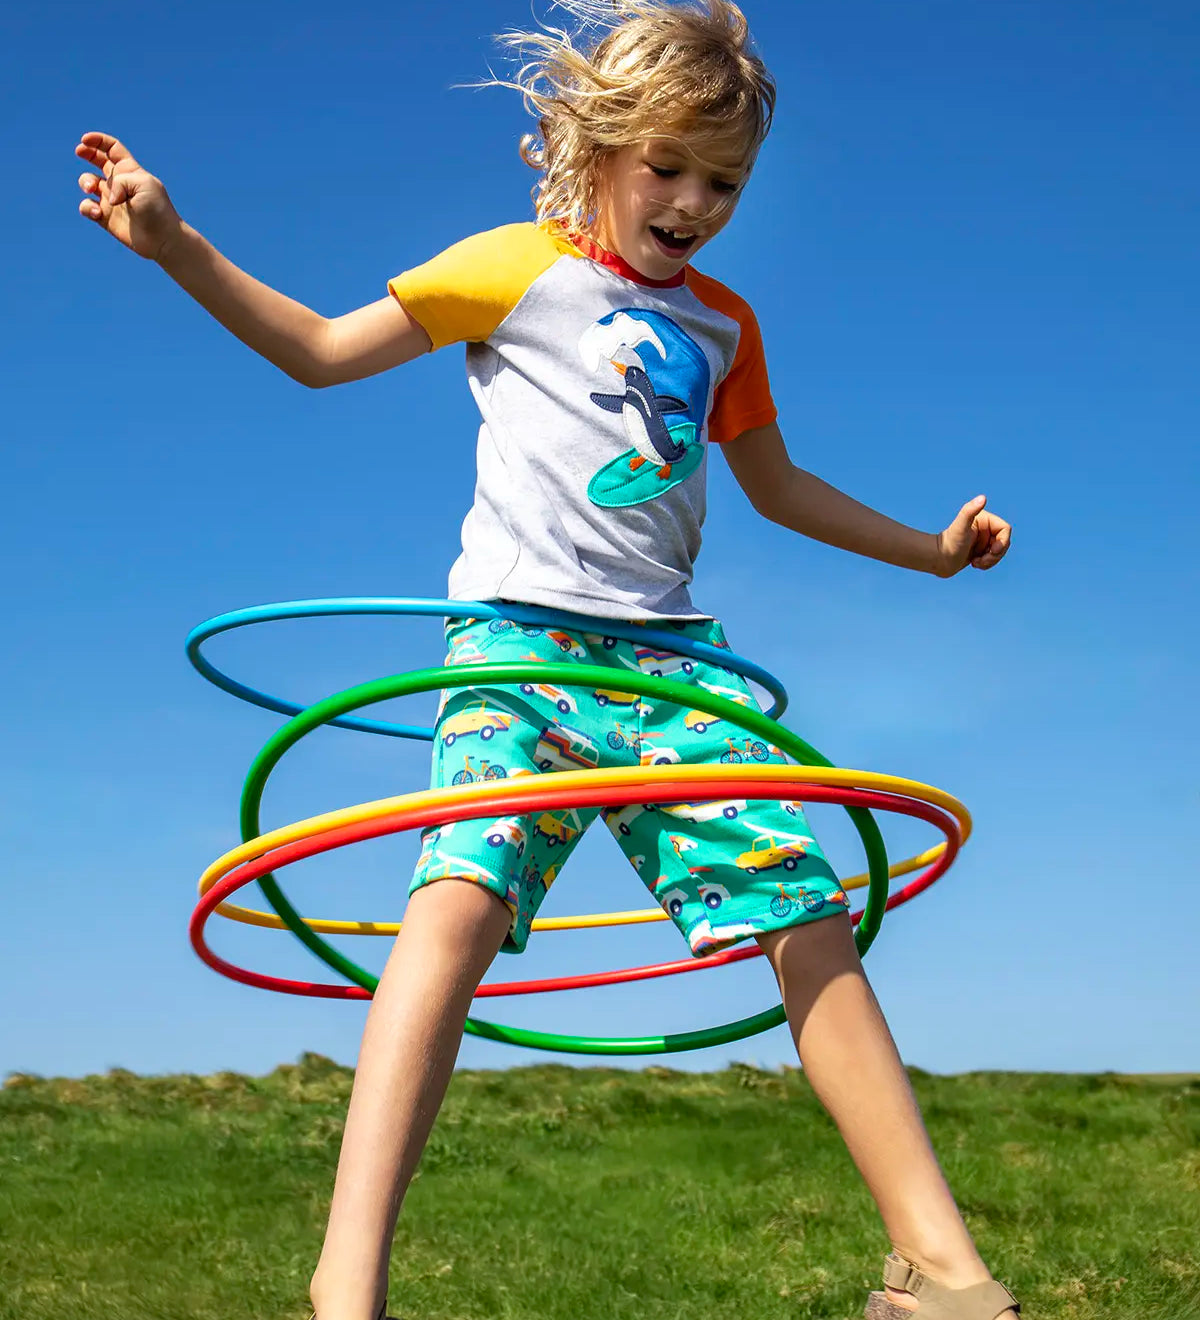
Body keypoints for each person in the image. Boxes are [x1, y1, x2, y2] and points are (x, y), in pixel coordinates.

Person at [75, 3, 1016, 1317]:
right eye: (669, 168)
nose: (695, 202)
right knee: (454, 909)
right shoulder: (512, 267)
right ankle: (346, 1288)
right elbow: (321, 353)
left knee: (806, 918)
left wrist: (931, 550)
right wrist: (175, 243)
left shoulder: (725, 327)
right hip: (518, 651)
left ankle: (941, 1270)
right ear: (597, 144)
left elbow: (780, 488)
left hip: (674, 674)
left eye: (726, 182)